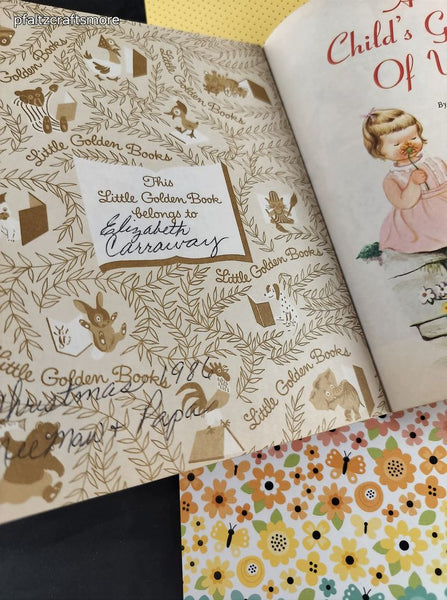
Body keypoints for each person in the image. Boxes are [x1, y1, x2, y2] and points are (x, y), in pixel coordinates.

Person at [362, 108, 447, 253]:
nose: (408, 145)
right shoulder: (392, 179)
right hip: (422, 221)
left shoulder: (435, 161)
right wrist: (413, 183)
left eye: (413, 138)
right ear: (379, 150)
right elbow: (404, 203)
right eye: (396, 144)